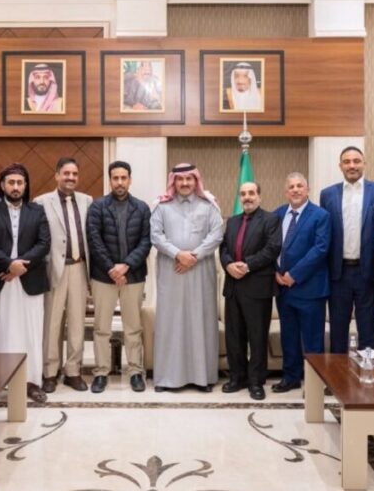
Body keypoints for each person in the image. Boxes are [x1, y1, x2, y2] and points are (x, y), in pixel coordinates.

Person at [0, 164, 51, 404]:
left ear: (26, 185)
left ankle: (31, 382)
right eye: (11, 183)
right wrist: (9, 265)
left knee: (31, 331)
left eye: (20, 182)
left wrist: (21, 266)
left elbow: (44, 243)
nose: (16, 187)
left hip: (29, 280)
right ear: (2, 185)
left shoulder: (37, 211)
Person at [150, 164, 225, 392]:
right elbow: (155, 236)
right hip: (171, 270)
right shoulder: (161, 207)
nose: (184, 183)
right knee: (170, 322)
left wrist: (194, 256)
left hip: (200, 271)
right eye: (180, 179)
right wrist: (178, 254)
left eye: (189, 179)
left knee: (200, 320)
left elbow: (217, 234)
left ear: (196, 181)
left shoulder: (209, 206)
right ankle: (166, 378)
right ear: (173, 181)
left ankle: (202, 377)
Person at [86, 160, 152, 393]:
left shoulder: (142, 208)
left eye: (124, 178)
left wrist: (126, 266)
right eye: (116, 178)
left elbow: (146, 241)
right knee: (101, 328)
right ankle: (101, 372)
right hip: (103, 277)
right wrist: (112, 269)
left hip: (133, 276)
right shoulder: (97, 207)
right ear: (110, 180)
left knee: (133, 327)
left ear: (130, 180)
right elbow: (94, 241)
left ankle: (135, 371)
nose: (120, 182)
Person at [320, 147, 374, 355]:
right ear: (340, 166)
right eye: (347, 161)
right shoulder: (327, 194)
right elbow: (325, 232)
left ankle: (366, 371)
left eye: (356, 161)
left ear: (364, 164)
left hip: (367, 272)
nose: (352, 165)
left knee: (368, 330)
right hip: (338, 273)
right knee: (338, 330)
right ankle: (337, 373)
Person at [35, 157, 93, 393]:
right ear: (57, 175)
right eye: (66, 173)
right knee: (52, 322)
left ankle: (73, 371)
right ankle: (50, 371)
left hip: (80, 267)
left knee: (77, 323)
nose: (71, 178)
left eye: (74, 174)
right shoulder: (41, 202)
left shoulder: (87, 201)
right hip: (54, 269)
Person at [220, 181, 282, 401]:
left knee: (257, 337)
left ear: (259, 196)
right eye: (243, 194)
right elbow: (223, 248)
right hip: (233, 286)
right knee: (234, 336)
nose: (247, 197)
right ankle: (237, 377)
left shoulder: (271, 220)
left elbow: (272, 249)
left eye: (251, 193)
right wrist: (228, 264)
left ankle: (256, 381)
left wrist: (247, 266)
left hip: (257, 287)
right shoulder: (232, 221)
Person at [273, 172, 331, 393]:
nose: (295, 190)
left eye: (300, 186)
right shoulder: (277, 214)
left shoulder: (321, 215)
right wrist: (275, 272)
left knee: (312, 340)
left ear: (307, 190)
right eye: (291, 187)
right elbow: (270, 247)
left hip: (310, 288)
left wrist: (294, 274)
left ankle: (314, 384)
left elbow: (320, 249)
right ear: (285, 192)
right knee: (288, 336)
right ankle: (291, 378)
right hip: (283, 288)